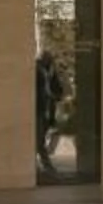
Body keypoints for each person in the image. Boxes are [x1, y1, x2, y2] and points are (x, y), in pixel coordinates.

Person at [34, 51, 65, 179]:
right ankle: (46, 167)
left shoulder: (50, 72)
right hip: (39, 110)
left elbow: (58, 89)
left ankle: (44, 167)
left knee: (40, 139)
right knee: (39, 140)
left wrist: (55, 96)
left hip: (46, 110)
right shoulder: (37, 71)